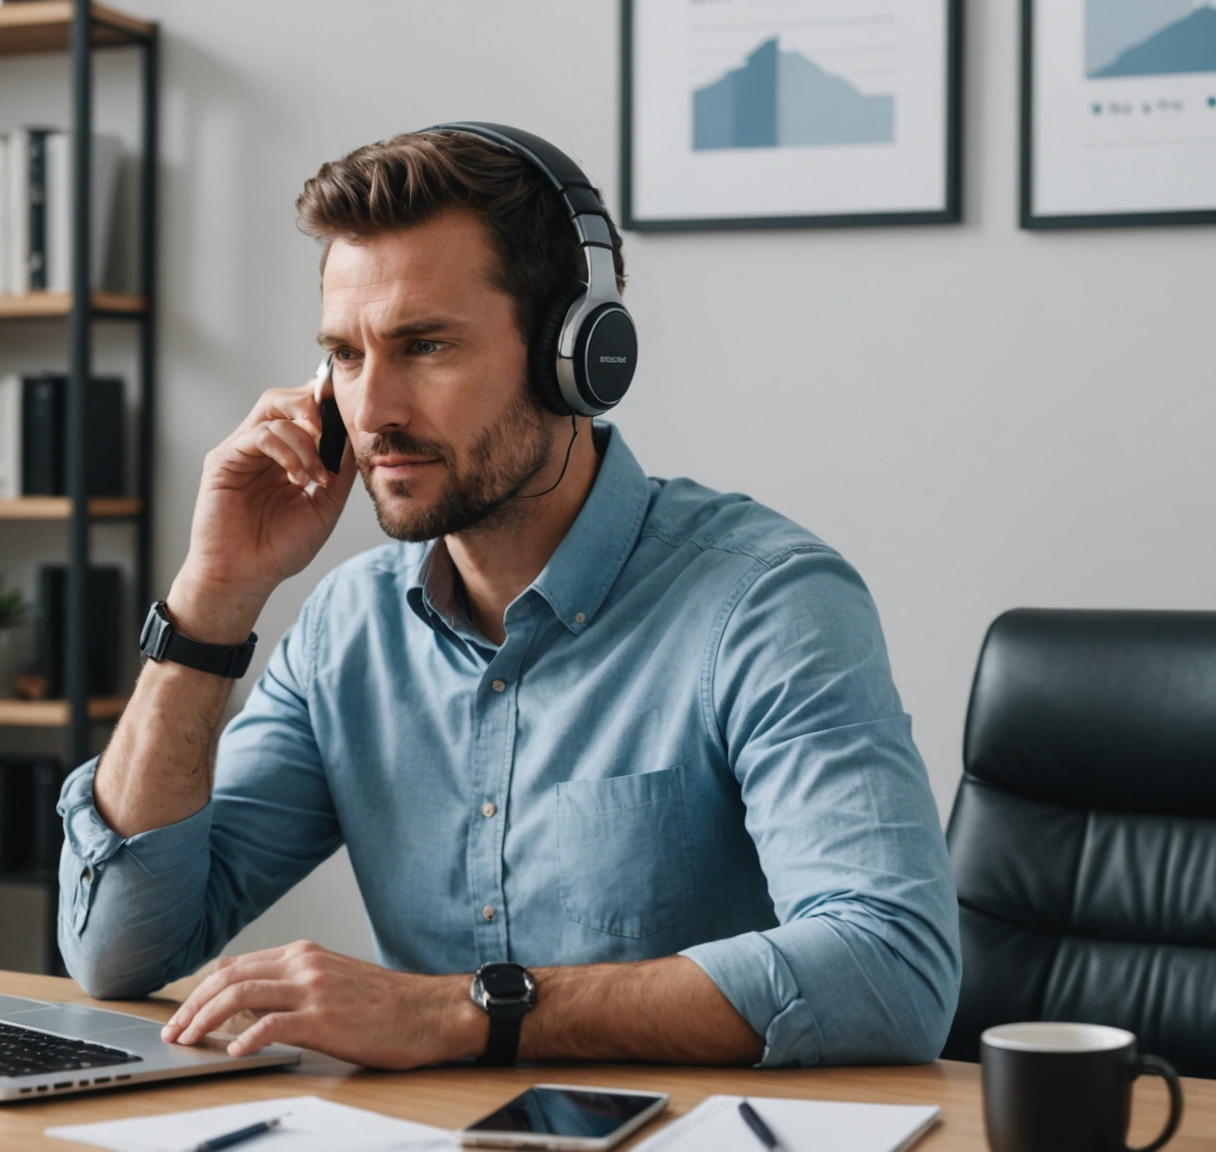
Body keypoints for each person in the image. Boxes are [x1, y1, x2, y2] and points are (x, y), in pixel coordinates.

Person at [57, 125, 959, 1071]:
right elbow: (118, 947)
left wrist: (462, 1011)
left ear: (577, 355)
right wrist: (211, 599)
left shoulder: (766, 604)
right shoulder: (347, 629)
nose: (372, 413)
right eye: (346, 356)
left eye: (425, 345)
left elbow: (891, 970)